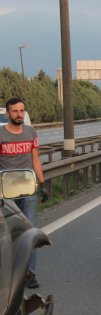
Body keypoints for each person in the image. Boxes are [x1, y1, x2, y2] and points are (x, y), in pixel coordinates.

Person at [0, 98, 47, 288]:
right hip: (6, 193)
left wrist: (42, 183)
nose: (19, 114)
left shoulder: (31, 132)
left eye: (21, 111)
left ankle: (30, 273)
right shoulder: (1, 135)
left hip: (28, 190)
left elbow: (35, 160)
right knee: (8, 235)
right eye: (15, 111)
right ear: (7, 113)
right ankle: (9, 274)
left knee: (30, 233)